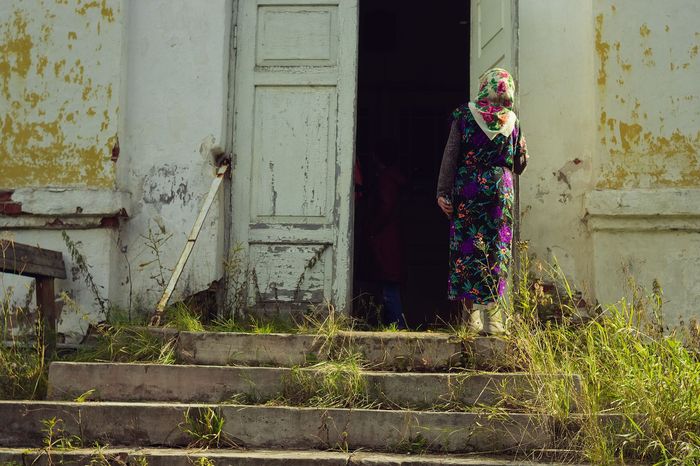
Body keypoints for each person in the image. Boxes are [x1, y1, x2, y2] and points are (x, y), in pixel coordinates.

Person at [436, 68, 528, 335]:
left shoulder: (464, 115)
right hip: (500, 191)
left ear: (485, 87)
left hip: (469, 190)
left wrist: (443, 191)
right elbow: (519, 164)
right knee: (497, 249)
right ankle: (494, 320)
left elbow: (451, 155)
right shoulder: (512, 120)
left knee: (468, 249)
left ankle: (471, 318)